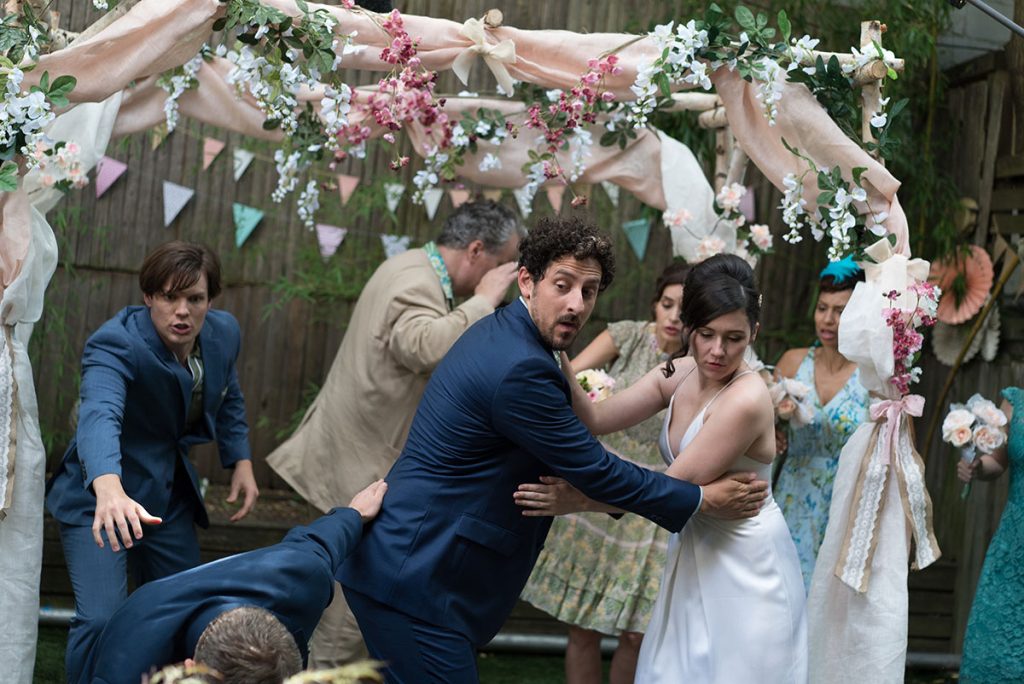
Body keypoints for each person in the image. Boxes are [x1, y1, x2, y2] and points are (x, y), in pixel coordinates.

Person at [339, 216, 768, 684]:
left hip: (419, 567)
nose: (576, 304)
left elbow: (592, 434)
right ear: (527, 279)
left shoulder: (520, 338)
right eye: (562, 285)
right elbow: (596, 468)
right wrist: (702, 500)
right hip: (417, 575)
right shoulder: (521, 367)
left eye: (589, 291)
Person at [516, 254, 807, 683]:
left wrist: (578, 498)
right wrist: (554, 348)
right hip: (694, 548)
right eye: (706, 334)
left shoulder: (745, 399)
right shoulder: (680, 370)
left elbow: (669, 487)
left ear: (754, 334)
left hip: (745, 565)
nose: (717, 351)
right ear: (689, 325)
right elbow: (595, 418)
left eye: (735, 338)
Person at [266, 199, 524, 667]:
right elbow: (421, 346)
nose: (509, 276)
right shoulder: (415, 281)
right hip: (359, 465)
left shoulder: (409, 264)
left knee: (333, 600)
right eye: (506, 264)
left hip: (348, 453)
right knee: (346, 616)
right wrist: (484, 301)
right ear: (476, 251)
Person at [45, 241, 260, 681]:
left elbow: (229, 394)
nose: (182, 311)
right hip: (100, 500)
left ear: (210, 301)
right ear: (148, 297)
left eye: (194, 299)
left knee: (184, 608)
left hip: (166, 496)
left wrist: (240, 459)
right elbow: (99, 414)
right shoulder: (115, 343)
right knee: (103, 618)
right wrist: (107, 487)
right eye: (168, 297)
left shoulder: (223, 334)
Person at [520, 261, 688, 684]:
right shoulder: (626, 335)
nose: (673, 316)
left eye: (684, 310)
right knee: (583, 624)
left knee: (636, 632)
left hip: (650, 503)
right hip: (600, 482)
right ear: (655, 303)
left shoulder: (698, 363)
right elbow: (565, 375)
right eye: (667, 304)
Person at [78, 479, 388, 684]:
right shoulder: (122, 668)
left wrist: (354, 515)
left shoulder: (302, 579)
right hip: (144, 622)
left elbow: (318, 544)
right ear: (189, 669)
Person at [772, 256, 870, 590]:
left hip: (845, 504)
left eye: (840, 311)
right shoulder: (791, 362)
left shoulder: (873, 376)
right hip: (790, 495)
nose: (827, 320)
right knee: (781, 595)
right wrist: (773, 433)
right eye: (822, 308)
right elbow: (757, 427)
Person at [957, 388, 1022, 683]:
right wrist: (976, 466)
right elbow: (997, 462)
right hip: (1014, 546)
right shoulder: (1014, 402)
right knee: (992, 651)